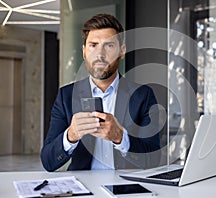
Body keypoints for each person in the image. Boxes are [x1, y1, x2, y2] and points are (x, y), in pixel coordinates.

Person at [41, 14, 161, 172]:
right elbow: (48, 162)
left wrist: (120, 138)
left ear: (122, 51)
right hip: (84, 190)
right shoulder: (66, 96)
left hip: (125, 190)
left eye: (109, 45)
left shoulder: (143, 95)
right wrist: (71, 135)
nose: (100, 54)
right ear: (84, 52)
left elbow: (154, 159)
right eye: (93, 45)